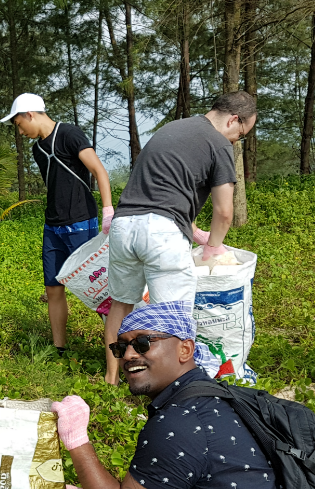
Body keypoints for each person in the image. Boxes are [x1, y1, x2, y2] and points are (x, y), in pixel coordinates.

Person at [104, 91, 256, 385]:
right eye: (242, 133)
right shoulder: (219, 143)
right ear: (234, 120)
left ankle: (112, 378)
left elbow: (165, 183)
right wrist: (213, 246)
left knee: (121, 304)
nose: (237, 140)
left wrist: (191, 229)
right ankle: (167, 385)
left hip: (124, 226)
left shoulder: (173, 129)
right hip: (160, 234)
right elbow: (224, 211)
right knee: (172, 317)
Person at [51, 301, 271, 489]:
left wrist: (77, 440)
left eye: (143, 343)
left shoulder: (180, 422)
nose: (128, 355)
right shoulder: (211, 396)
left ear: (184, 350)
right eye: (120, 347)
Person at [1, 93, 114, 355]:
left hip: (81, 223)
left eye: (19, 124)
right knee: (53, 288)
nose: (20, 130)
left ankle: (119, 346)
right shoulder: (37, 149)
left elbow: (98, 170)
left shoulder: (70, 134)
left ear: (30, 114)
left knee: (98, 291)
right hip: (52, 227)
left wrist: (108, 210)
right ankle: (59, 349)